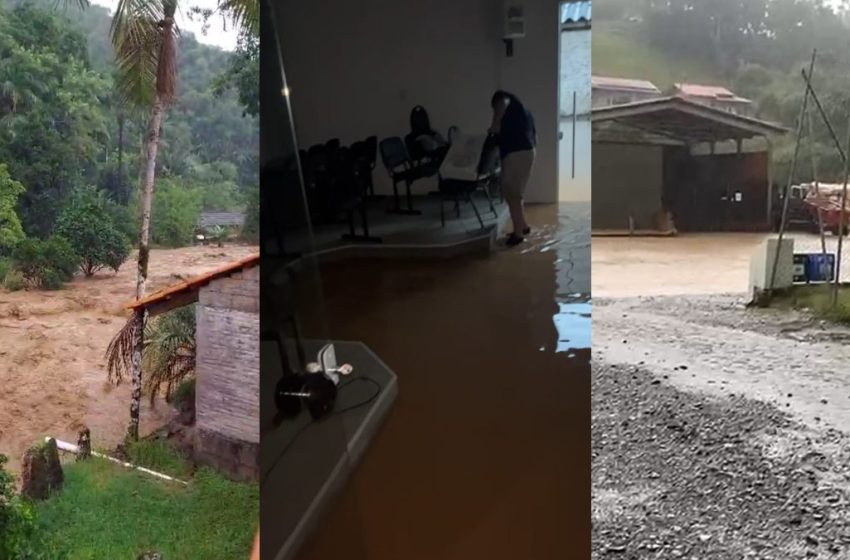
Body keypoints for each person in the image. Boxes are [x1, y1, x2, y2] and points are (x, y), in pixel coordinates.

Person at [489, 90, 536, 246]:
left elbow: (495, 128)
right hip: (528, 152)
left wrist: (493, 128)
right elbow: (534, 134)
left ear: (498, 102)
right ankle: (523, 226)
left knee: (512, 194)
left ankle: (518, 234)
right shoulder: (525, 111)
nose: (495, 111)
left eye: (494, 107)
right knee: (517, 193)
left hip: (515, 154)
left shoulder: (505, 103)